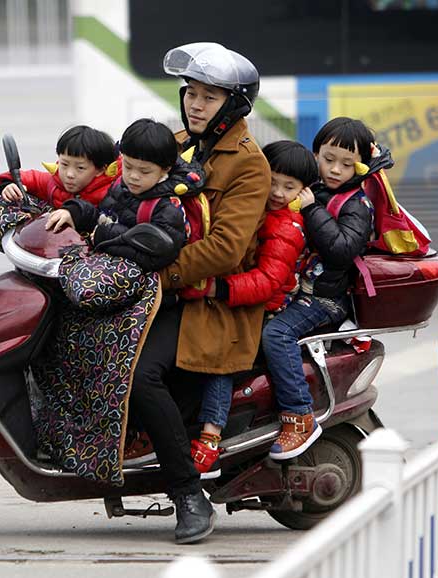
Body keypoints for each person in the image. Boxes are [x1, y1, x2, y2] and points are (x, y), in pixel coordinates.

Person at [124, 42, 271, 544]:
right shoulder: (182, 143)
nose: (196, 104)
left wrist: (158, 275)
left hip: (208, 301)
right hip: (162, 290)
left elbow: (226, 249)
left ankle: (189, 495)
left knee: (141, 374)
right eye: (191, 93)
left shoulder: (247, 164)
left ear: (233, 105)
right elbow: (122, 180)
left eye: (209, 97)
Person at [189, 140, 319, 478]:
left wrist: (219, 288)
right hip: (245, 300)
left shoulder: (287, 225)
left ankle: (211, 437)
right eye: (272, 181)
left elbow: (268, 281)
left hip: (263, 307)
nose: (277, 192)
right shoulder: (251, 206)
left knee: (223, 354)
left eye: (288, 187)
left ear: (304, 191)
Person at [262, 117, 380, 460]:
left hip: (324, 299)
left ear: (361, 166)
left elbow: (342, 250)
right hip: (296, 290)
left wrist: (312, 208)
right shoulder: (310, 186)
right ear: (316, 155)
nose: (335, 169)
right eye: (328, 159)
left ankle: (300, 416)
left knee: (277, 334)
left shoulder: (356, 204)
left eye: (347, 164)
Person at [43, 118, 204, 272]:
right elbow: (102, 217)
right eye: (128, 166)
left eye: (144, 171)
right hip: (106, 263)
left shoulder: (166, 208)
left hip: (140, 282)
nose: (133, 176)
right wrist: (74, 212)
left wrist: (106, 237)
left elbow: (158, 258)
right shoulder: (121, 185)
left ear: (165, 169)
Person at [0, 125, 118, 209]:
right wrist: (8, 186)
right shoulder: (54, 183)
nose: (69, 174)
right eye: (64, 164)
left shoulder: (114, 192)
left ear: (100, 170)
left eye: (80, 168)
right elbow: (22, 178)